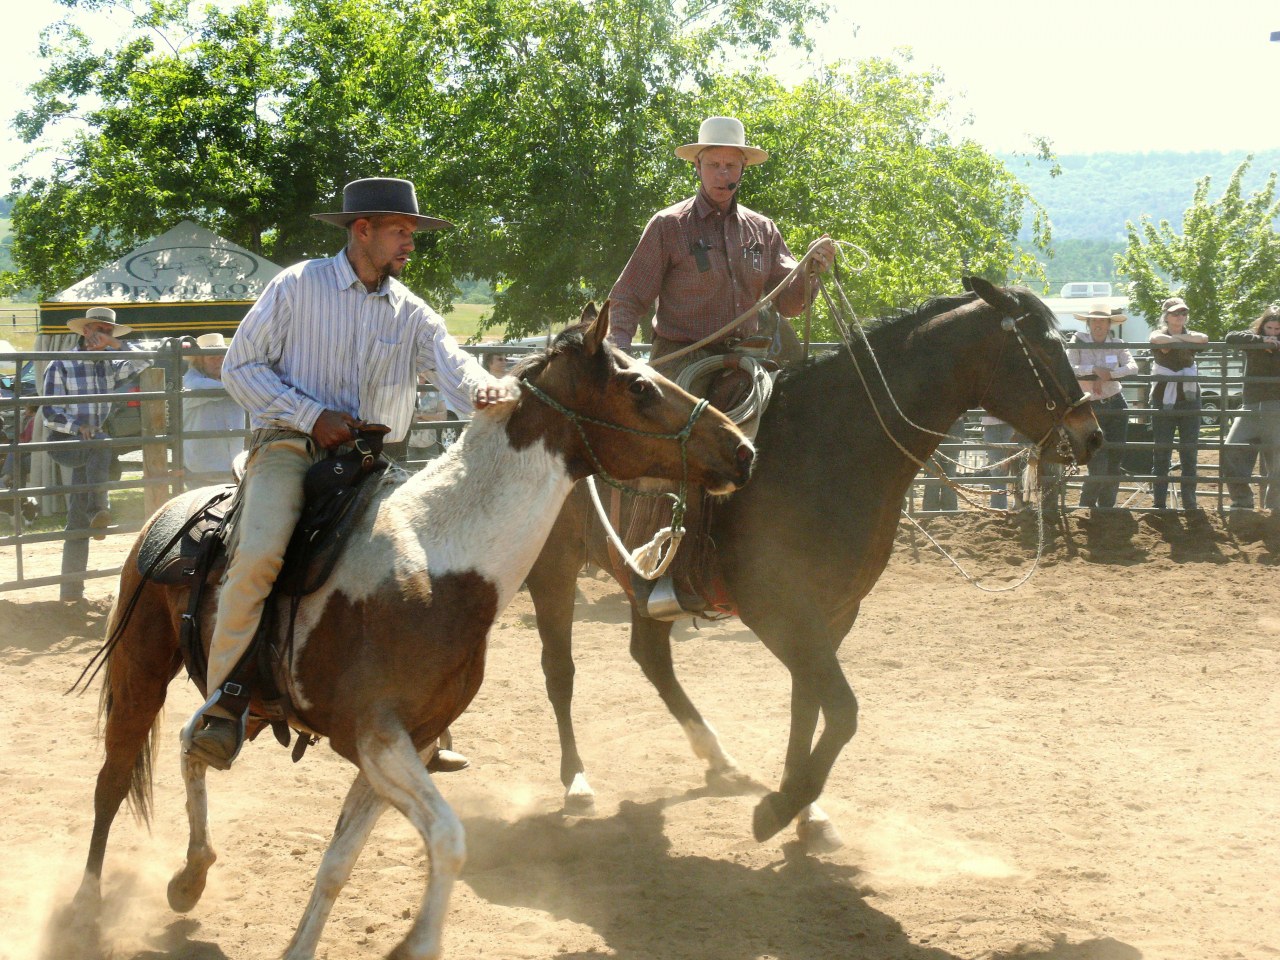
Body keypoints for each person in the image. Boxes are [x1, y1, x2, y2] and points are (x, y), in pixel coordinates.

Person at [186, 177, 514, 771]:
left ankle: (421, 720)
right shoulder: (297, 285)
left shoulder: (410, 310)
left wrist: (486, 389)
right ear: (361, 230)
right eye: (400, 231)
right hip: (291, 447)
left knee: (427, 575)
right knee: (259, 554)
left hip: (372, 462)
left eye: (412, 233)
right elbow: (240, 367)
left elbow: (453, 363)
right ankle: (225, 702)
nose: (409, 243)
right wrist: (312, 417)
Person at [607, 115, 835, 374]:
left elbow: (789, 306)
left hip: (747, 359)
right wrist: (619, 356)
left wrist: (808, 271)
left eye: (731, 165)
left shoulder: (763, 229)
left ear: (743, 167)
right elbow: (627, 297)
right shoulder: (669, 225)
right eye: (713, 164)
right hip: (682, 362)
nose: (722, 173)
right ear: (697, 165)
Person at [42, 307, 151, 601]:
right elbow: (49, 412)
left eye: (107, 331)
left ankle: (71, 592)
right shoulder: (60, 364)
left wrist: (115, 347)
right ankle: (99, 509)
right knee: (101, 443)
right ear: (84, 331)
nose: (100, 336)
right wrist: (79, 427)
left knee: (77, 516)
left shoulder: (109, 364)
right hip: (66, 440)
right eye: (96, 330)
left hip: (94, 447)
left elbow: (147, 358)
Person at [1068, 303, 1138, 510]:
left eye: (1102, 321)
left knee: (1114, 459)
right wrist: (1094, 371)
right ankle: (1086, 506)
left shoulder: (1117, 343)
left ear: (1109, 324)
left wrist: (1109, 374)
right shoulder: (1078, 341)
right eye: (1094, 321)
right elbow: (1070, 367)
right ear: (1089, 324)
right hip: (1090, 406)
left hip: (1114, 402)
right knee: (1097, 462)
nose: (1098, 324)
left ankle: (1106, 507)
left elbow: (1132, 367)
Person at [1148, 297, 1208, 511]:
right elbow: (1156, 339)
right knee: (1162, 451)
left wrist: (1176, 340)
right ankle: (1159, 502)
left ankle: (1189, 501)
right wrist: (1185, 340)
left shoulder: (1188, 335)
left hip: (1189, 399)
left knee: (1189, 452)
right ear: (1166, 316)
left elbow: (1204, 338)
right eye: (1175, 313)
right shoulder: (1159, 334)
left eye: (1183, 313)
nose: (1180, 317)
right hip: (1164, 399)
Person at [1222, 304, 1280, 513]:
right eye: (1269, 329)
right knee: (1231, 448)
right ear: (1262, 327)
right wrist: (1261, 342)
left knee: (1277, 458)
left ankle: (1275, 505)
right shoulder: (1253, 339)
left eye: (1277, 330)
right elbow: (1231, 337)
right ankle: (1242, 500)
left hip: (1277, 407)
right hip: (1251, 406)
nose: (1273, 333)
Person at [182, 332, 245, 480]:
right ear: (200, 361)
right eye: (212, 357)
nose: (219, 361)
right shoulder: (191, 381)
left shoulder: (234, 380)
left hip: (233, 466)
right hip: (203, 468)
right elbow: (199, 387)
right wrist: (242, 386)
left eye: (222, 356)